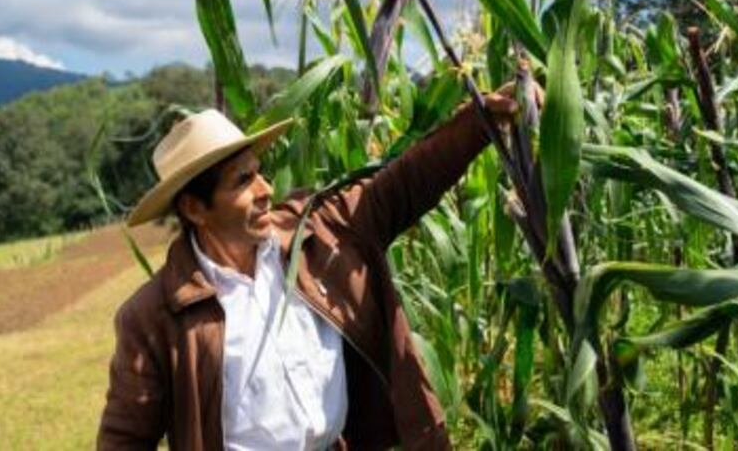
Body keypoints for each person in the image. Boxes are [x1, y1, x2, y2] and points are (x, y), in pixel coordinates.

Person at [97, 92, 517, 450]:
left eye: (259, 172)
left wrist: (479, 122)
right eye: (243, 181)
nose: (265, 191)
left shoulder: (316, 236)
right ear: (194, 208)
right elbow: (124, 440)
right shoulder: (152, 319)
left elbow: (404, 183)